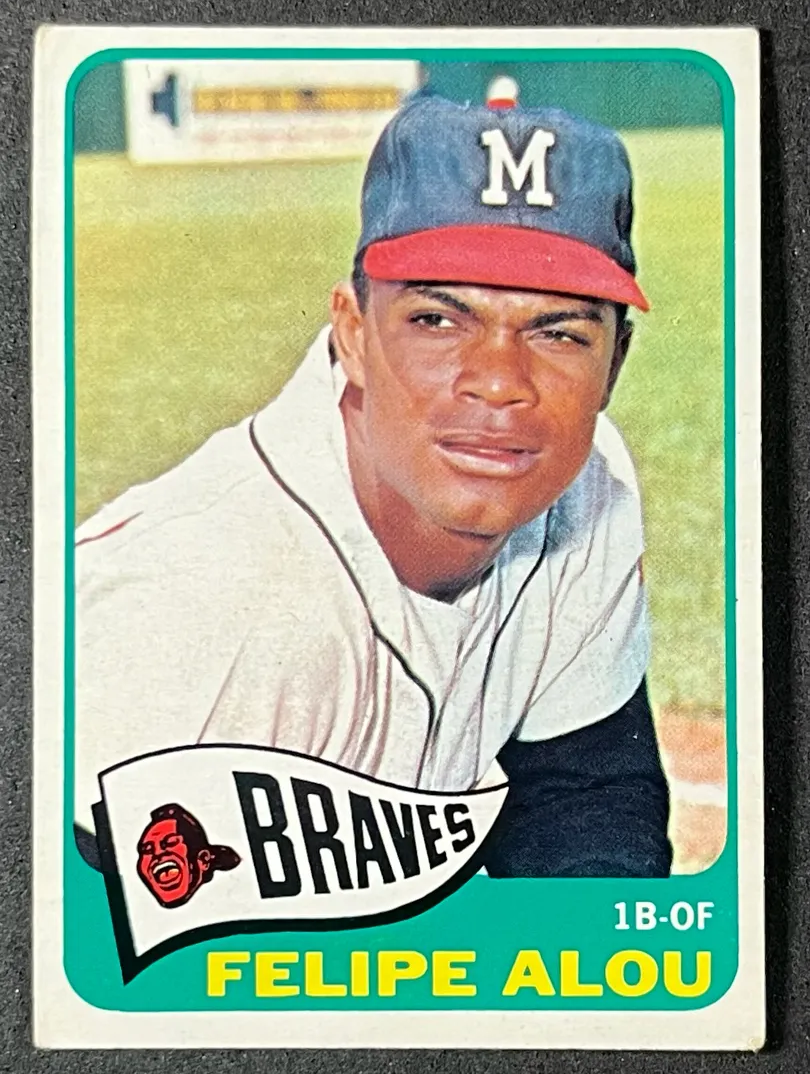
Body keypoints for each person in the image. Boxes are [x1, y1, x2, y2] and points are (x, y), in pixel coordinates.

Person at [74, 84, 672, 878]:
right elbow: (84, 934)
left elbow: (582, 799)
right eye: (438, 320)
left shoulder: (582, 490)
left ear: (613, 364)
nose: (500, 383)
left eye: (558, 332)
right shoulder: (188, 602)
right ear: (352, 334)